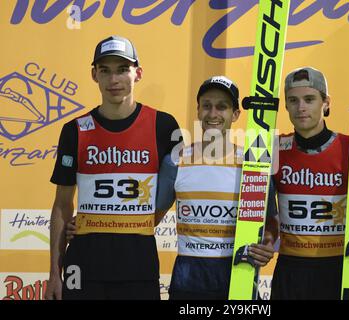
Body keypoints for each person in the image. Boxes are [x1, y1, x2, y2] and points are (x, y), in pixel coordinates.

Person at [66, 76, 278, 300]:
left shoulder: (254, 164)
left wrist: (268, 245)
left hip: (239, 276)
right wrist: (89, 223)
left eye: (222, 107)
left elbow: (272, 220)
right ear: (198, 110)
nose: (213, 114)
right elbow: (147, 218)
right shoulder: (175, 161)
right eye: (206, 106)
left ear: (235, 114)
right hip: (189, 278)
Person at [45, 35, 180, 300]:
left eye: (122, 69)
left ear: (137, 73)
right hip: (83, 265)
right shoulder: (74, 130)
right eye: (105, 71)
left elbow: (173, 191)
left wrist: (141, 221)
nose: (114, 79)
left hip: (138, 266)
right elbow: (62, 204)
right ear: (94, 75)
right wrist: (53, 273)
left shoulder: (164, 126)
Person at [271, 66, 349, 300]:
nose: (301, 107)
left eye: (309, 99)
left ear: (326, 103)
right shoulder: (274, 148)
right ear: (285, 106)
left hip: (340, 265)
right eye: (293, 100)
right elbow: (263, 209)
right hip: (290, 269)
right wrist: (265, 239)